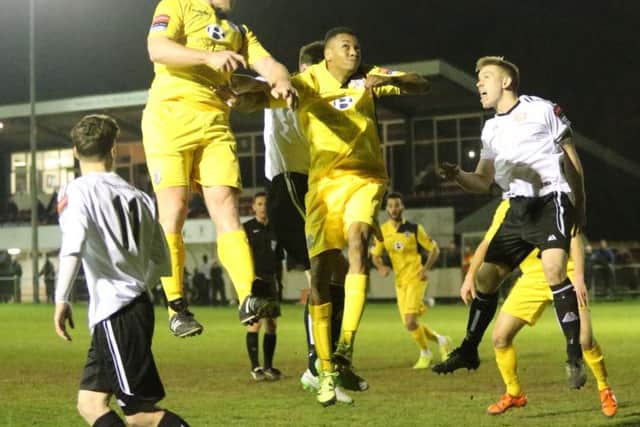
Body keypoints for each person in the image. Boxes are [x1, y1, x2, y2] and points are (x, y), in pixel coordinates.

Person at [273, 27, 430, 406]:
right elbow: (261, 96)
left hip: (365, 177)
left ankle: (345, 345)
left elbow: (419, 84)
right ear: (327, 55)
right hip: (323, 187)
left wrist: (391, 79)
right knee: (321, 275)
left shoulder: (369, 77)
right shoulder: (307, 82)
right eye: (346, 47)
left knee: (358, 238)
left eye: (358, 46)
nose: (355, 52)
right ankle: (325, 369)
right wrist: (241, 92)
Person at [219, 40, 365, 402]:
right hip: (287, 185)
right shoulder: (286, 87)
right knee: (327, 268)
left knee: (335, 271)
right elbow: (245, 83)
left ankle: (324, 363)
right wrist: (231, 76)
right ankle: (319, 366)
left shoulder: (322, 97)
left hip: (310, 186)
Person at [141, 0, 297, 337]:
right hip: (169, 116)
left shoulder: (238, 31)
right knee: (175, 209)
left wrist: (282, 79)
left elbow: (268, 63)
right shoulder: (176, 4)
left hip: (214, 122)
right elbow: (156, 48)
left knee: (226, 208)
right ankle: (176, 307)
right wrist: (207, 57)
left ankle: (247, 298)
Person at [433, 56, 586, 376]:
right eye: (477, 78)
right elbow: (482, 181)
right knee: (485, 278)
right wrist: (458, 175)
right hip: (516, 208)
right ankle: (469, 350)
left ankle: (574, 355)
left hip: (550, 200)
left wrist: (579, 209)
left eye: (485, 77)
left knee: (554, 268)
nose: (478, 83)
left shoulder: (542, 109)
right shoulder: (491, 129)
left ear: (505, 82)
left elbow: (572, 159)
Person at [53, 115, 189, 427]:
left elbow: (73, 245)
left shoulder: (76, 192)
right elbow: (163, 260)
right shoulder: (140, 197)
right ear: (113, 150)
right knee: (90, 403)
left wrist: (62, 299)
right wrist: (138, 285)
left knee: (141, 415)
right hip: (126, 310)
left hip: (118, 313)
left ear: (75, 151)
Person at [469, 201, 617, 417]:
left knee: (584, 340)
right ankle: (514, 393)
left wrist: (578, 276)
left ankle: (605, 389)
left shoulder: (554, 197)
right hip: (532, 278)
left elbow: (574, 236)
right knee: (500, 337)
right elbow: (488, 242)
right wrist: (470, 277)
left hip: (564, 274)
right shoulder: (505, 206)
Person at [370, 192, 451, 369]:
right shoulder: (382, 231)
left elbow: (434, 249)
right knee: (411, 324)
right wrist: (381, 267)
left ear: (403, 207)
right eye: (390, 206)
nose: (394, 209)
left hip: (415, 279)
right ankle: (441, 340)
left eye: (397, 205)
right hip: (400, 283)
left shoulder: (414, 229)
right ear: (387, 209)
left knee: (409, 321)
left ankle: (425, 353)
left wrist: (425, 268)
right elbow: (375, 255)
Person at [242, 192, 285, 381]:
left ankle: (268, 366)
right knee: (255, 323)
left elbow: (278, 260)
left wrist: (280, 282)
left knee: (272, 324)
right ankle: (255, 367)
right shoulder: (247, 229)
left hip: (271, 282)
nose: (262, 207)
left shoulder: (276, 229)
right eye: (259, 204)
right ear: (253, 207)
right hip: (254, 282)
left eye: (265, 204)